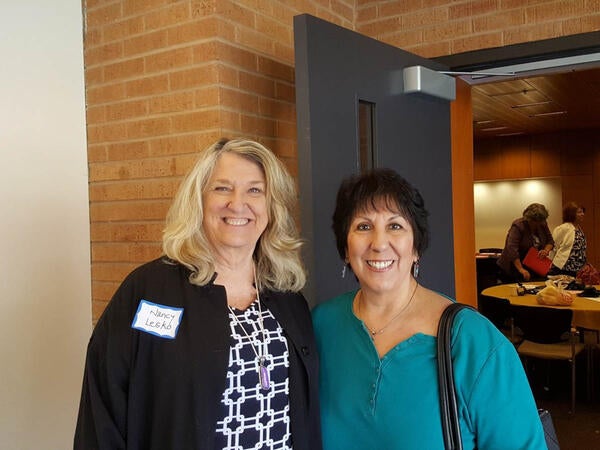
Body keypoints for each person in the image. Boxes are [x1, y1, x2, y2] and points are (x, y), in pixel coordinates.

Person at [74, 139, 322, 450]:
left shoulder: (288, 299)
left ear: (272, 208)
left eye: (255, 190)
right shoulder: (149, 291)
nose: (237, 203)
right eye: (222, 188)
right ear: (199, 200)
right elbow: (103, 406)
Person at [312, 169, 546, 449]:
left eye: (395, 226)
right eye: (363, 226)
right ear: (345, 248)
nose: (378, 243)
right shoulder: (321, 326)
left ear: (416, 247)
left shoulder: (474, 342)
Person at [496, 203, 554, 282]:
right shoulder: (518, 225)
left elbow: (550, 241)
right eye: (535, 221)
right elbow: (512, 249)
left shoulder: (542, 224)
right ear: (529, 219)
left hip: (532, 265)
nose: (538, 224)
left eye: (540, 221)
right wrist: (521, 269)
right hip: (513, 267)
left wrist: (546, 250)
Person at [549, 202, 587, 277]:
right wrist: (549, 264)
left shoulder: (579, 229)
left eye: (583, 212)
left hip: (577, 269)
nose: (583, 214)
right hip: (564, 268)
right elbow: (553, 247)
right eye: (579, 212)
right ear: (571, 214)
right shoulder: (563, 228)